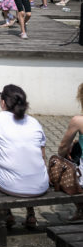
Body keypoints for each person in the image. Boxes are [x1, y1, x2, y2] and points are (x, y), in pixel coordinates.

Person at [0, 84, 49, 229]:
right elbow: (42, 156)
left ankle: (8, 214)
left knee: (2, 161)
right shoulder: (34, 122)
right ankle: (31, 214)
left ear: (3, 102)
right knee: (22, 161)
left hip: (11, 186)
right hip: (41, 185)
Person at [57, 83, 83, 222]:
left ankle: (80, 208)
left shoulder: (78, 121)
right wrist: (77, 142)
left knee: (60, 174)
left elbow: (62, 149)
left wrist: (65, 151)